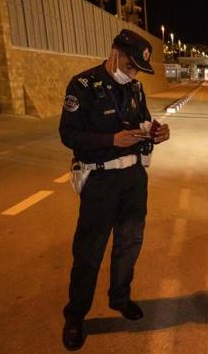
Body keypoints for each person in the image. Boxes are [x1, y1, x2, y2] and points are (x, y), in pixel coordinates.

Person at [58, 29, 170, 350]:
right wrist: (111, 141)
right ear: (114, 52)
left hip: (134, 178)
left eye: (138, 69)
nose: (134, 73)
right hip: (101, 180)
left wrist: (157, 132)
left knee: (130, 242)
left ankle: (120, 297)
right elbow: (69, 135)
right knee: (89, 251)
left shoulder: (135, 88)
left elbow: (144, 122)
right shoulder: (83, 86)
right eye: (131, 65)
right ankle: (76, 316)